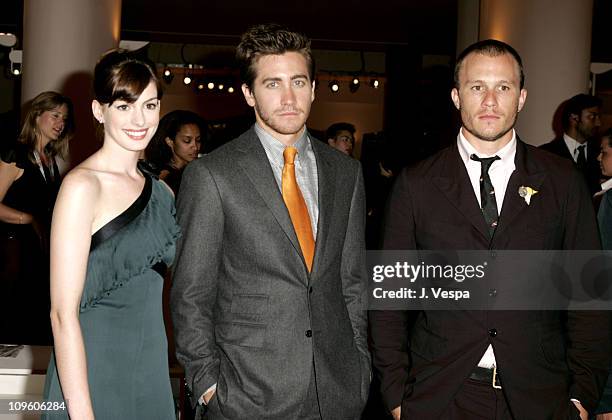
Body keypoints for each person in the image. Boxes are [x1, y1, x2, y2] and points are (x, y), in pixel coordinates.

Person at [369, 39, 610, 420]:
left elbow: (590, 296)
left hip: (542, 396)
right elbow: (388, 300)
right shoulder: (415, 184)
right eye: (477, 87)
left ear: (522, 97)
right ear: (455, 96)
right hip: (441, 395)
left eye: (503, 87)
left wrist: (583, 394)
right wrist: (397, 394)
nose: (490, 101)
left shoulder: (562, 181)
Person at [171, 24, 370, 420]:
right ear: (249, 93)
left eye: (298, 81)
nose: (289, 97)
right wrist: (208, 385)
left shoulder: (345, 172)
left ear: (314, 88)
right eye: (272, 83)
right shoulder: (212, 174)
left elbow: (352, 282)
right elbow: (191, 293)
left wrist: (359, 365)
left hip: (335, 391)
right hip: (245, 396)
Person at [42, 49, 179, 420]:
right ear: (99, 111)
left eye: (149, 106)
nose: (140, 119)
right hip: (91, 375)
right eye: (124, 106)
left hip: (151, 369)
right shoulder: (82, 186)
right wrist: (83, 414)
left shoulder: (163, 193)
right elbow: (61, 314)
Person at [0, 91, 74, 345]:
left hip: (38, 251)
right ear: (36, 115)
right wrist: (28, 219)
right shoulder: (15, 154)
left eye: (63, 118)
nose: (60, 123)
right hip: (14, 250)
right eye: (54, 115)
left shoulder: (50, 159)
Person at [540, 94, 603, 195]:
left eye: (598, 117)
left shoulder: (601, 154)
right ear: (574, 118)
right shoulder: (545, 154)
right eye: (592, 116)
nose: (598, 123)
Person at [145, 109, 206, 195]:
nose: (195, 147)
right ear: (169, 141)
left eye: (198, 140)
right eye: (187, 141)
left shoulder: (197, 169)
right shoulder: (163, 177)